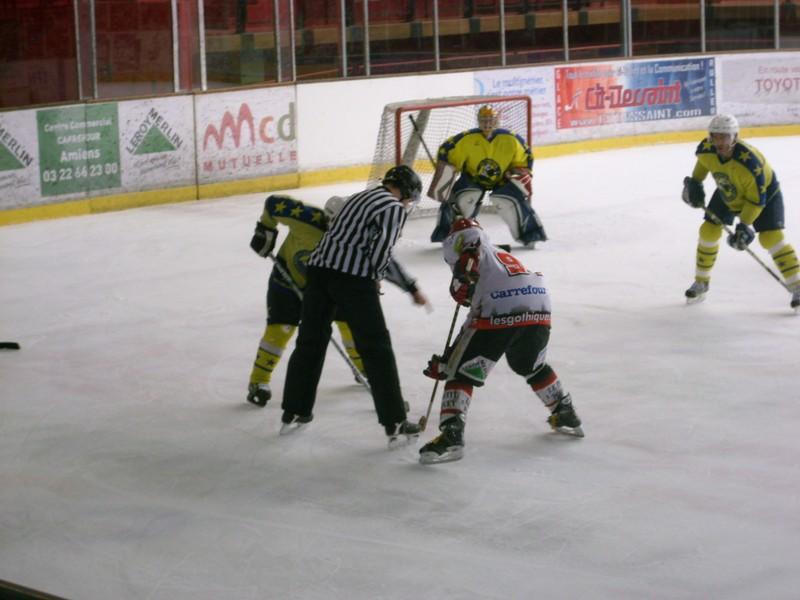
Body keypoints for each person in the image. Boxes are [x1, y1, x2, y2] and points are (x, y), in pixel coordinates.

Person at [280, 165, 426, 448]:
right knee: (376, 348)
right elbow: (381, 250)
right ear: (406, 192)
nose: (407, 204)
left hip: (319, 273)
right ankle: (394, 422)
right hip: (353, 280)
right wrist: (376, 278)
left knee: (309, 342)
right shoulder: (392, 208)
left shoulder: (360, 196)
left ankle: (294, 411)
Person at [418, 218, 582, 465]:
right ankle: (565, 412)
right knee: (529, 365)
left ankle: (451, 437)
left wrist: (450, 362)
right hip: (539, 303)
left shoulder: (469, 249)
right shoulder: (497, 254)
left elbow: (474, 305)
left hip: (500, 309)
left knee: (460, 374)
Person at [246, 193, 428, 407]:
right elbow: (273, 204)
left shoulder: (356, 234)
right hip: (287, 284)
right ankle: (259, 382)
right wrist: (265, 229)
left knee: (351, 328)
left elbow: (385, 260)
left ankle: (366, 373)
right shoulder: (305, 218)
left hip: (331, 285)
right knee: (280, 330)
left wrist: (410, 286)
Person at [682, 114, 800, 309]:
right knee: (708, 230)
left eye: (724, 137)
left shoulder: (750, 164)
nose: (719, 141)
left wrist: (743, 226)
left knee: (771, 238)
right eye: (715, 136)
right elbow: (704, 164)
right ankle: (701, 282)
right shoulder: (706, 150)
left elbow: (755, 201)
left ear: (734, 137)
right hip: (728, 189)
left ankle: (797, 285)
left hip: (764, 197)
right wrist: (694, 184)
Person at [427, 104, 547, 247]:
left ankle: (530, 235)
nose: (487, 123)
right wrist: (447, 170)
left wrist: (516, 172)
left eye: (491, 119)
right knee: (464, 199)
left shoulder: (511, 139)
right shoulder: (466, 139)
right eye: (484, 120)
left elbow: (524, 159)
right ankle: (451, 235)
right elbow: (447, 151)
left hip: (502, 180)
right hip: (473, 179)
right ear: (478, 120)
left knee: (508, 201)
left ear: (498, 120)